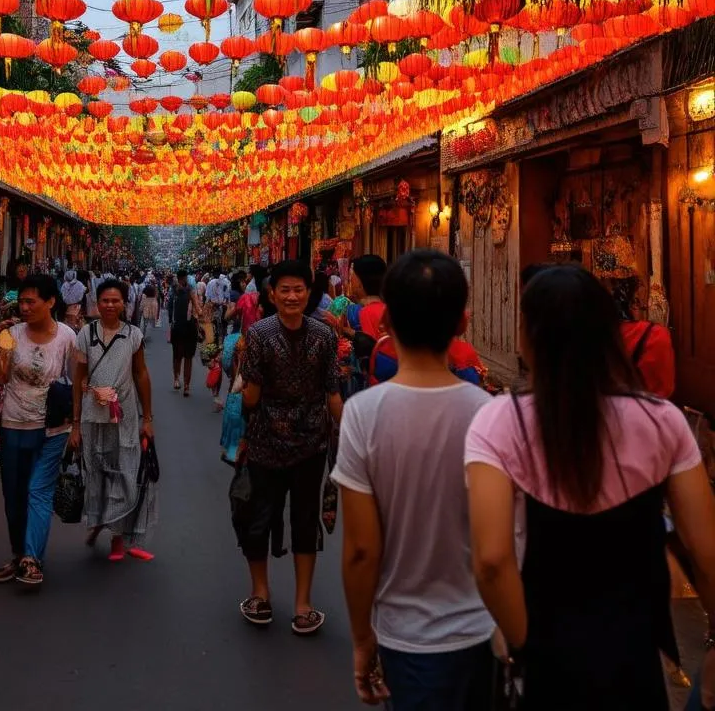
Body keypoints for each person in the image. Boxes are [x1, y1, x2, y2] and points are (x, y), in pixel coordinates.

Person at [466, 264, 715, 711]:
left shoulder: (502, 421)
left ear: (528, 337)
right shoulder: (663, 421)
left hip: (544, 654)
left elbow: (491, 562)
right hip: (634, 653)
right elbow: (707, 549)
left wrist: (523, 644)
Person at [333, 250, 495, 709]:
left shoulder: (363, 415)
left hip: (406, 636)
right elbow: (499, 547)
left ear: (386, 323)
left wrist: (363, 638)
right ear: (462, 324)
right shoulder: (490, 413)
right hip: (483, 628)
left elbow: (362, 550)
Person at [236, 260, 344, 636]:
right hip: (286, 443)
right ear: (271, 294)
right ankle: (293, 603)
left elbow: (251, 397)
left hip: (298, 443)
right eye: (285, 289)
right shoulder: (304, 335)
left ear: (310, 291)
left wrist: (342, 437)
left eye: (299, 289)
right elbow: (332, 392)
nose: (292, 296)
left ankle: (275, 598)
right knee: (288, 517)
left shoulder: (265, 335)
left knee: (271, 516)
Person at [0, 274, 77, 587]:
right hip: (12, 423)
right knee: (13, 495)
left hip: (52, 427)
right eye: (21, 301)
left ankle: (31, 557)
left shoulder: (67, 336)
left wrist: (77, 426)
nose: (23, 307)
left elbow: (77, 382)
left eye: (30, 301)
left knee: (38, 490)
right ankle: (18, 554)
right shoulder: (11, 334)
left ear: (50, 302)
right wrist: (2, 345)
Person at [71, 279, 157, 562]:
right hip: (92, 416)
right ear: (97, 303)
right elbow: (78, 377)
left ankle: (119, 538)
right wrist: (74, 423)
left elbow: (141, 374)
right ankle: (97, 522)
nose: (110, 305)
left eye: (115, 300)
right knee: (96, 473)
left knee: (125, 473)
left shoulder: (133, 335)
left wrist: (148, 418)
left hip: (125, 416)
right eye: (105, 300)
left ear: (124, 303)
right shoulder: (86, 333)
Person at [608, 276, 676, 398]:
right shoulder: (656, 334)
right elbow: (664, 388)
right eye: (642, 302)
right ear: (633, 303)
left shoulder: (597, 334)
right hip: (645, 407)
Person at [167, 269, 202, 396]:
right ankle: (177, 379)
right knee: (178, 356)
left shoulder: (190, 291)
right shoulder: (174, 291)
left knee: (187, 356)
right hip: (178, 327)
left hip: (188, 326)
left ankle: (186, 384)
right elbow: (170, 306)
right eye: (183, 279)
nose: (184, 281)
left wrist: (200, 312)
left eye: (185, 279)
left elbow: (197, 307)